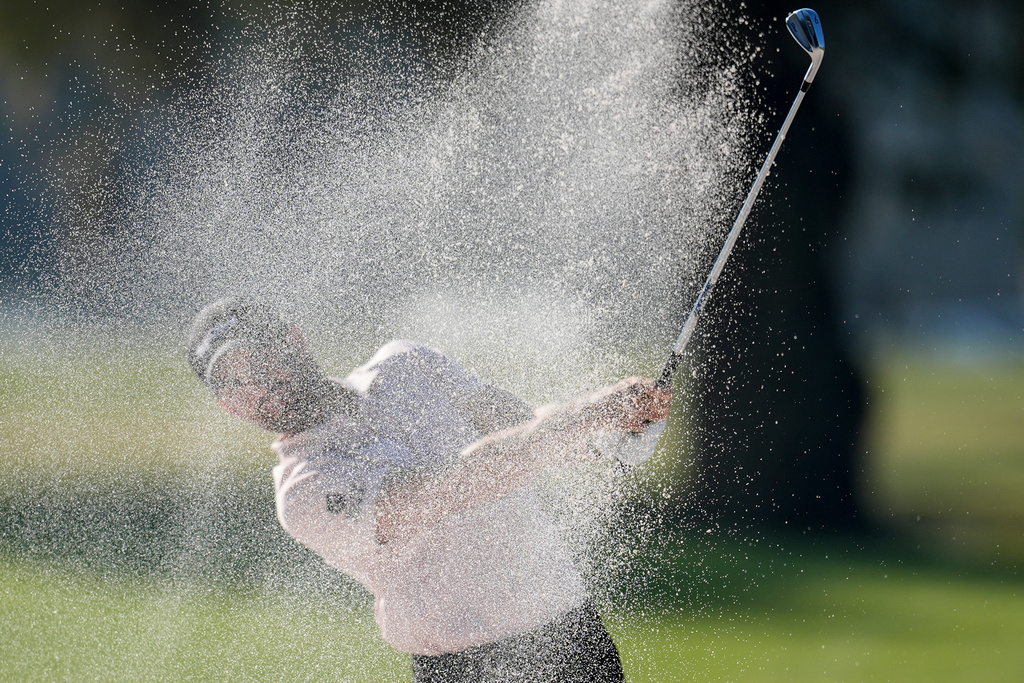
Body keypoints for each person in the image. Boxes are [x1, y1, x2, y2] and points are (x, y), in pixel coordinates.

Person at [186, 296, 672, 682]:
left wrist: (611, 439)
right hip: (468, 669)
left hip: (573, 639)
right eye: (232, 384)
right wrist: (586, 415)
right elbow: (452, 487)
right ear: (227, 407)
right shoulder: (306, 493)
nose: (257, 388)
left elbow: (521, 430)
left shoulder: (407, 363)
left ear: (294, 341)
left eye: (259, 361)